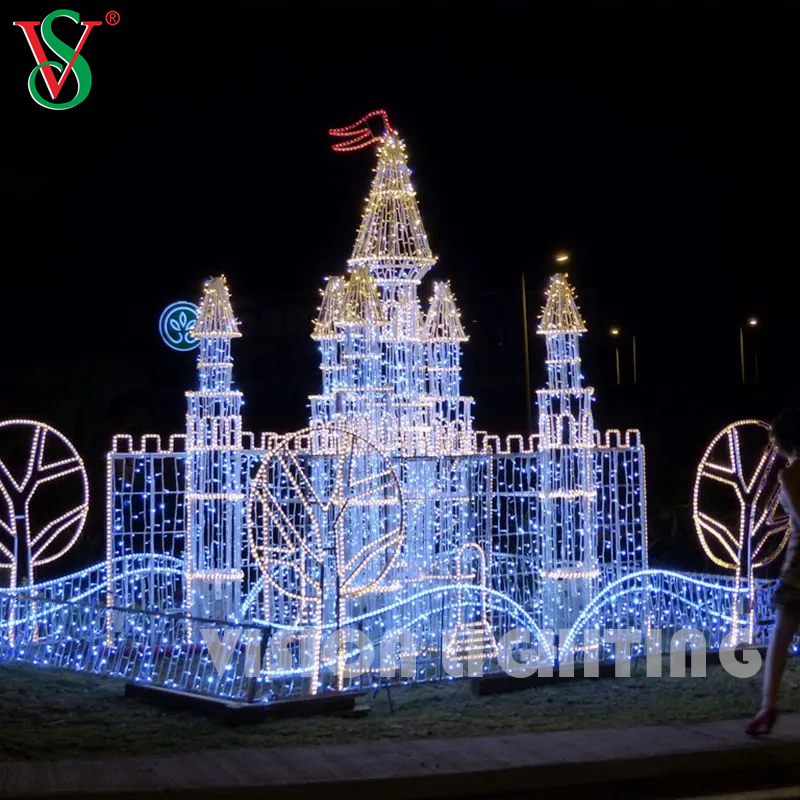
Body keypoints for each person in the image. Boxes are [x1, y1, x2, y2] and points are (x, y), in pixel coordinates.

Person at [746, 407, 800, 736]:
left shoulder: (790, 474)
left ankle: (768, 706)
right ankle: (767, 707)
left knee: (781, 636)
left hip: (799, 566)